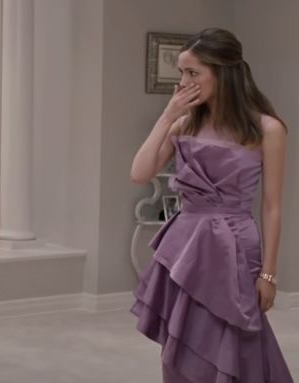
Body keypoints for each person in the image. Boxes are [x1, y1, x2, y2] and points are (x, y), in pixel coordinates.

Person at [129, 27, 294, 383]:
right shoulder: (185, 124)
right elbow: (139, 173)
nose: (185, 82)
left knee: (237, 340)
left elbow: (271, 207)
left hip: (235, 245)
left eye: (192, 73)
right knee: (181, 342)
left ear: (221, 71)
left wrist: (268, 273)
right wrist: (167, 116)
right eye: (182, 74)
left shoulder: (268, 129)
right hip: (184, 247)